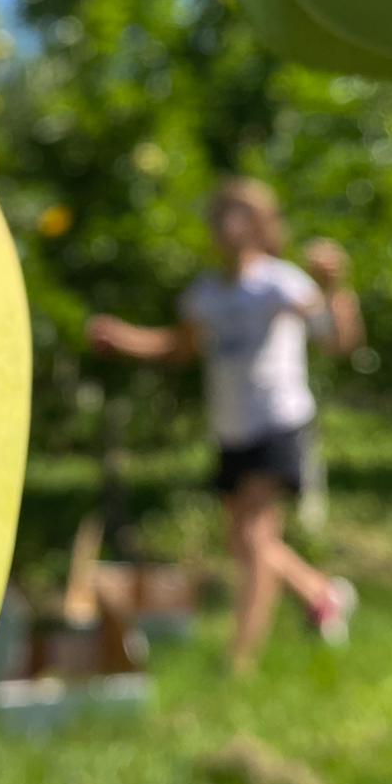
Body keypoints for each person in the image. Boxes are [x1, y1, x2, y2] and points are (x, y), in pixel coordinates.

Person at [86, 177, 365, 675]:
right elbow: (179, 347)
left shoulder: (281, 283)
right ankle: (320, 594)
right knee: (244, 541)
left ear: (262, 225)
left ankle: (241, 660)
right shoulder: (205, 295)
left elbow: (337, 341)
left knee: (254, 540)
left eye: (242, 215)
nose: (230, 225)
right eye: (222, 215)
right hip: (232, 428)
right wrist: (126, 340)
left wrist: (334, 287)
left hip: (278, 420)